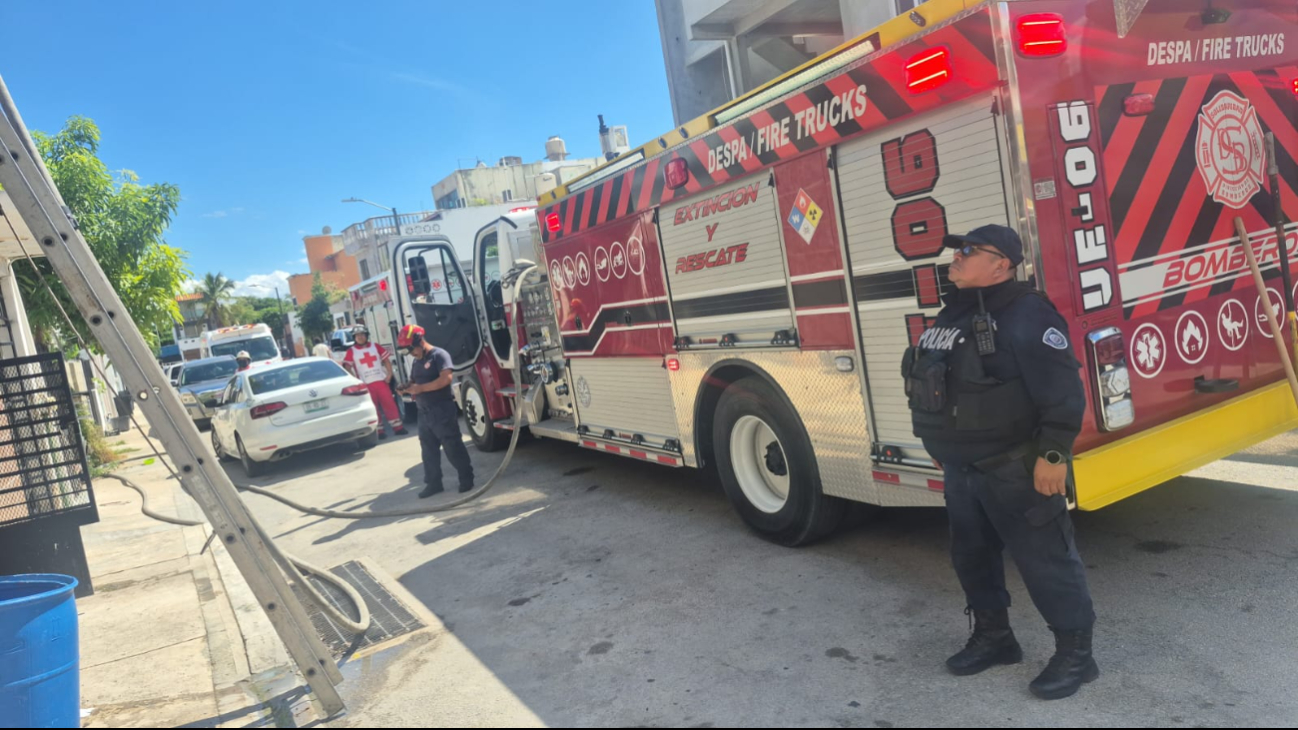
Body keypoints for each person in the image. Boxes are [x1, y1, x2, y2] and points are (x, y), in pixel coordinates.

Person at [902, 224, 1096, 700]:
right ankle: (995, 638)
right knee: (972, 557)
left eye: (969, 251)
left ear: (1001, 264)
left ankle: (1077, 656)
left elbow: (1063, 392)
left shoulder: (1028, 314)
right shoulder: (954, 313)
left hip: (1016, 467)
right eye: (958, 250)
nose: (957, 257)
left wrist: (1054, 454)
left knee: (1047, 562)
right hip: (962, 469)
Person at [395, 324, 473, 497]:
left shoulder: (439, 355)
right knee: (428, 450)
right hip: (423, 412)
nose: (411, 354)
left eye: (411, 349)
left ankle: (466, 477)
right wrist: (406, 387)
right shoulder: (417, 360)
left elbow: (446, 379)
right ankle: (434, 483)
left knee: (452, 446)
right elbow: (414, 381)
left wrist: (421, 389)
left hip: (441, 410)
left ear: (420, 341)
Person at [341, 325, 406, 439]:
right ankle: (379, 431)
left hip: (381, 381)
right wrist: (355, 380)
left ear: (366, 335)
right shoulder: (351, 351)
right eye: (357, 335)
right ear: (354, 337)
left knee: (389, 404)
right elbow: (347, 367)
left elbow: (386, 360)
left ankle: (398, 428)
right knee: (373, 407)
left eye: (362, 334)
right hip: (366, 385)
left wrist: (389, 374)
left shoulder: (375, 346)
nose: (360, 337)